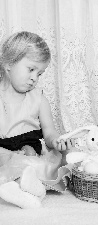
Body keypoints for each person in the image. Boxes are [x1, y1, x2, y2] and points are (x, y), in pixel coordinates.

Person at [0, 31, 73, 208]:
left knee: (35, 158)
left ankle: (27, 187)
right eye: (31, 69)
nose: (34, 78)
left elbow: (49, 132)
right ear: (9, 63)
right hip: (3, 148)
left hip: (29, 147)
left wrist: (55, 141)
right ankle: (23, 189)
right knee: (4, 158)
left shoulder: (39, 98)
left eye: (40, 73)